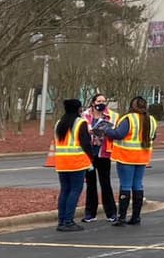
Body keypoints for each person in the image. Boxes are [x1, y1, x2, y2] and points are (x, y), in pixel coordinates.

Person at [104, 96, 158, 227]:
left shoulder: (129, 118)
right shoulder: (151, 119)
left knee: (126, 185)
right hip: (142, 157)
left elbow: (119, 134)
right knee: (138, 185)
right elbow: (153, 136)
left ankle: (122, 217)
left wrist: (106, 130)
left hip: (126, 156)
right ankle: (136, 216)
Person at [53, 98, 93, 233]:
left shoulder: (59, 123)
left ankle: (62, 220)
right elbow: (86, 143)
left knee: (64, 190)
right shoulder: (80, 123)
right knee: (75, 190)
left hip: (62, 161)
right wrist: (91, 159)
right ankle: (68, 221)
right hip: (76, 161)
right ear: (78, 109)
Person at [81, 93, 117, 223]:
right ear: (93, 102)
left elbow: (116, 131)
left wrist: (107, 131)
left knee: (105, 183)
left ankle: (111, 213)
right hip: (89, 154)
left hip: (103, 153)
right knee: (91, 184)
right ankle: (90, 213)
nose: (101, 103)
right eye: (99, 101)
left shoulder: (112, 115)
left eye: (104, 101)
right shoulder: (85, 115)